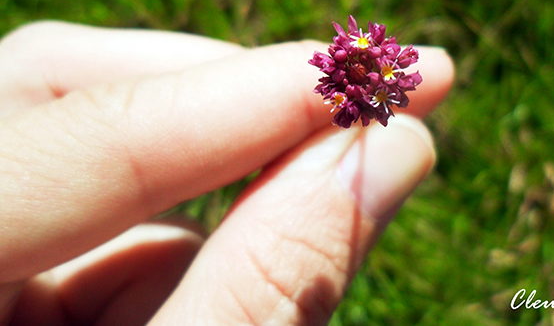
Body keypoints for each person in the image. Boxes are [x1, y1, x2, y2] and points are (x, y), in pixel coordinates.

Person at [0, 21, 454, 325]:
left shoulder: (373, 80)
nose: (364, 52)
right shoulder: (345, 80)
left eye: (368, 51)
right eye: (365, 50)